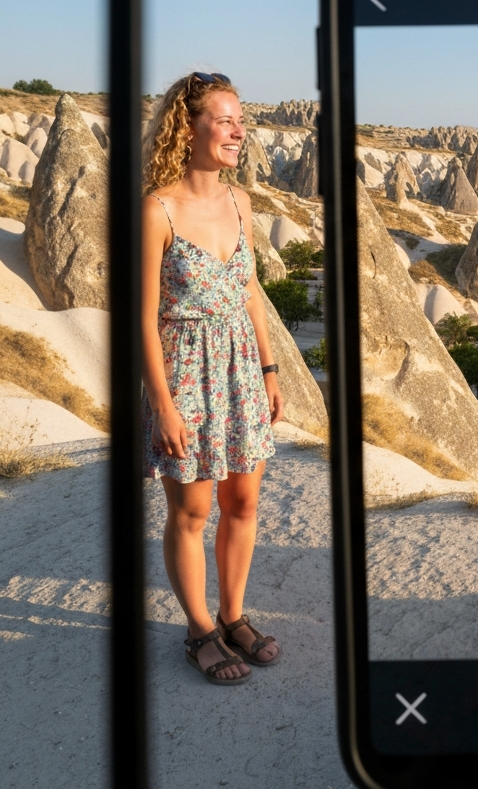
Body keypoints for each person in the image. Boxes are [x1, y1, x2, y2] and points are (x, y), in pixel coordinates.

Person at [140, 72, 284, 685]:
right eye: (224, 120)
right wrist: (163, 405)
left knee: (242, 501)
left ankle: (233, 616)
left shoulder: (239, 202)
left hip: (241, 367)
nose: (237, 131)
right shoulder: (157, 210)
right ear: (187, 126)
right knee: (193, 510)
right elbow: (142, 319)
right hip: (185, 372)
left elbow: (250, 291)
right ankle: (199, 631)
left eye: (240, 121)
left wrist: (269, 368)